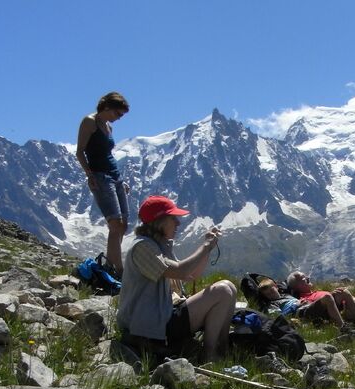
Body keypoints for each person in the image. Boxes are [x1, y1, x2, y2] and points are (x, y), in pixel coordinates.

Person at [117, 195, 237, 363]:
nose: (178, 223)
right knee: (223, 290)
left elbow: (190, 275)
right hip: (149, 326)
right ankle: (209, 354)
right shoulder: (142, 248)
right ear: (159, 221)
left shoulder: (160, 246)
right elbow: (181, 271)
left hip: (163, 317)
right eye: (173, 218)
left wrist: (208, 249)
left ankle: (222, 347)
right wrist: (205, 246)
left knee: (229, 287)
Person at [76, 91, 131, 275]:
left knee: (123, 224)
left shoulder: (109, 127)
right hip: (100, 176)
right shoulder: (89, 122)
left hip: (115, 176)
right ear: (107, 107)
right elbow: (80, 151)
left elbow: (108, 154)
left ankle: (111, 264)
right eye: (118, 114)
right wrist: (90, 175)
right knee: (115, 223)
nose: (119, 118)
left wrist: (120, 180)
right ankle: (118, 269)